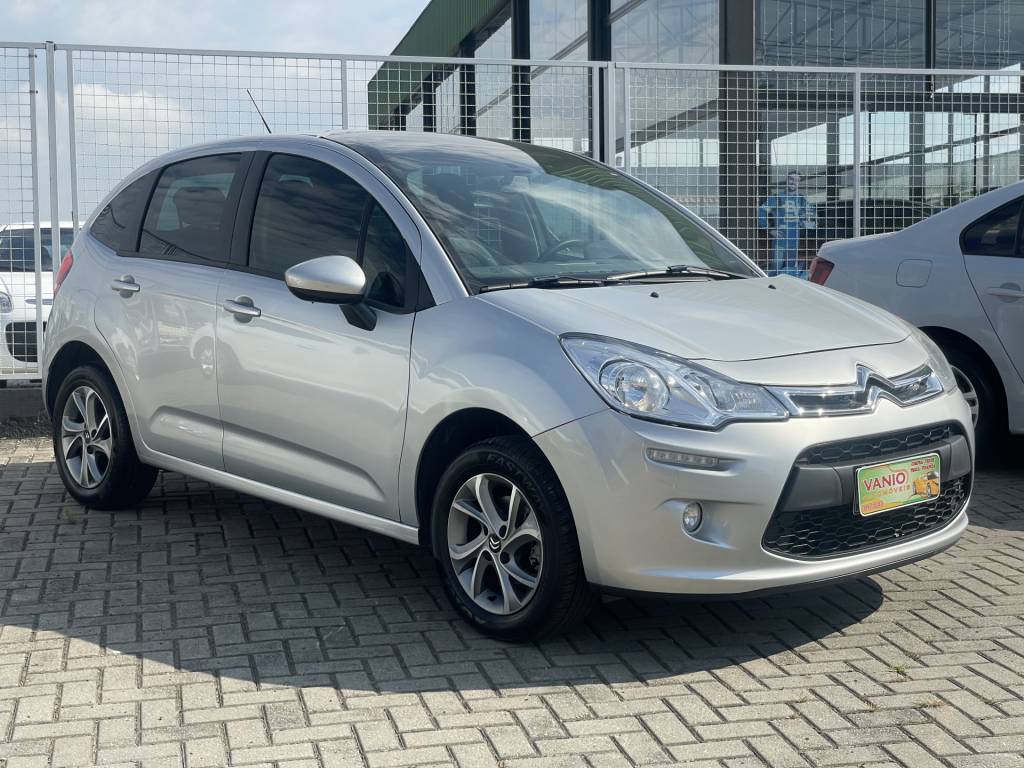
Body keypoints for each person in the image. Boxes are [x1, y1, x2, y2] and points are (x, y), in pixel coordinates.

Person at [758, 171, 817, 278]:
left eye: (797, 180)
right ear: (786, 180)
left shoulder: (801, 200)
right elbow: (761, 212)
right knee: (776, 267)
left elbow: (813, 215)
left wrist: (807, 223)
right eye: (791, 179)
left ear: (799, 183)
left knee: (791, 269)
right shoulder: (777, 198)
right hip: (780, 239)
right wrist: (770, 229)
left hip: (794, 240)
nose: (793, 182)